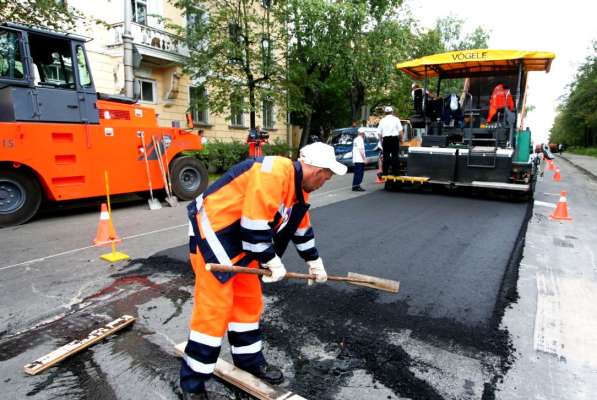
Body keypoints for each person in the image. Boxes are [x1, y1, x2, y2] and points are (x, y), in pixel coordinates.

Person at [181, 142, 347, 399]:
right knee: (213, 313)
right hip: (213, 237)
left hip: (241, 243)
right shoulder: (274, 171)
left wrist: (314, 261)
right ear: (316, 169)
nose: (327, 179)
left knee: (248, 304)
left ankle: (248, 361)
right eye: (327, 174)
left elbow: (300, 229)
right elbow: (254, 223)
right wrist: (271, 261)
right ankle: (192, 385)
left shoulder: (299, 191)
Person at [377, 106, 403, 176]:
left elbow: (379, 133)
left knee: (386, 156)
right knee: (395, 156)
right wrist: (401, 140)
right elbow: (400, 131)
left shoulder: (382, 120)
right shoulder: (396, 119)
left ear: (385, 112)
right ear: (392, 112)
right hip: (394, 139)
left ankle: (385, 172)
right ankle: (396, 173)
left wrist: (381, 141)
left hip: (386, 139)